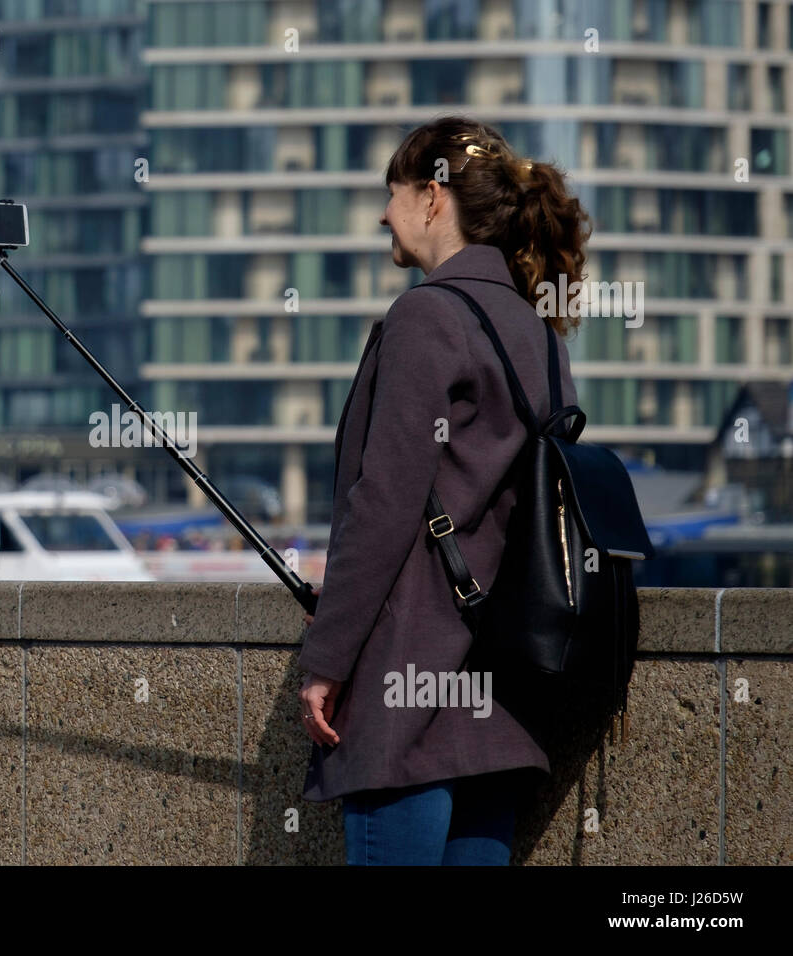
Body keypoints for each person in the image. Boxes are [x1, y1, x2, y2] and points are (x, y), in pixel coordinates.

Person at [297, 116, 588, 866]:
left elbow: (385, 503)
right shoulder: (538, 332)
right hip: (500, 698)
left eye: (390, 195)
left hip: (407, 695)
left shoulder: (426, 316)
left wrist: (325, 660)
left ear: (433, 197)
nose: (381, 216)